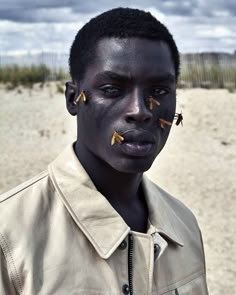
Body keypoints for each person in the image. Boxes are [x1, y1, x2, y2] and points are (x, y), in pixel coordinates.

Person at [0, 7, 208, 295]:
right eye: (112, 89)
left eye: (159, 91)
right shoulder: (8, 237)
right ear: (74, 99)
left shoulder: (183, 226)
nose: (140, 111)